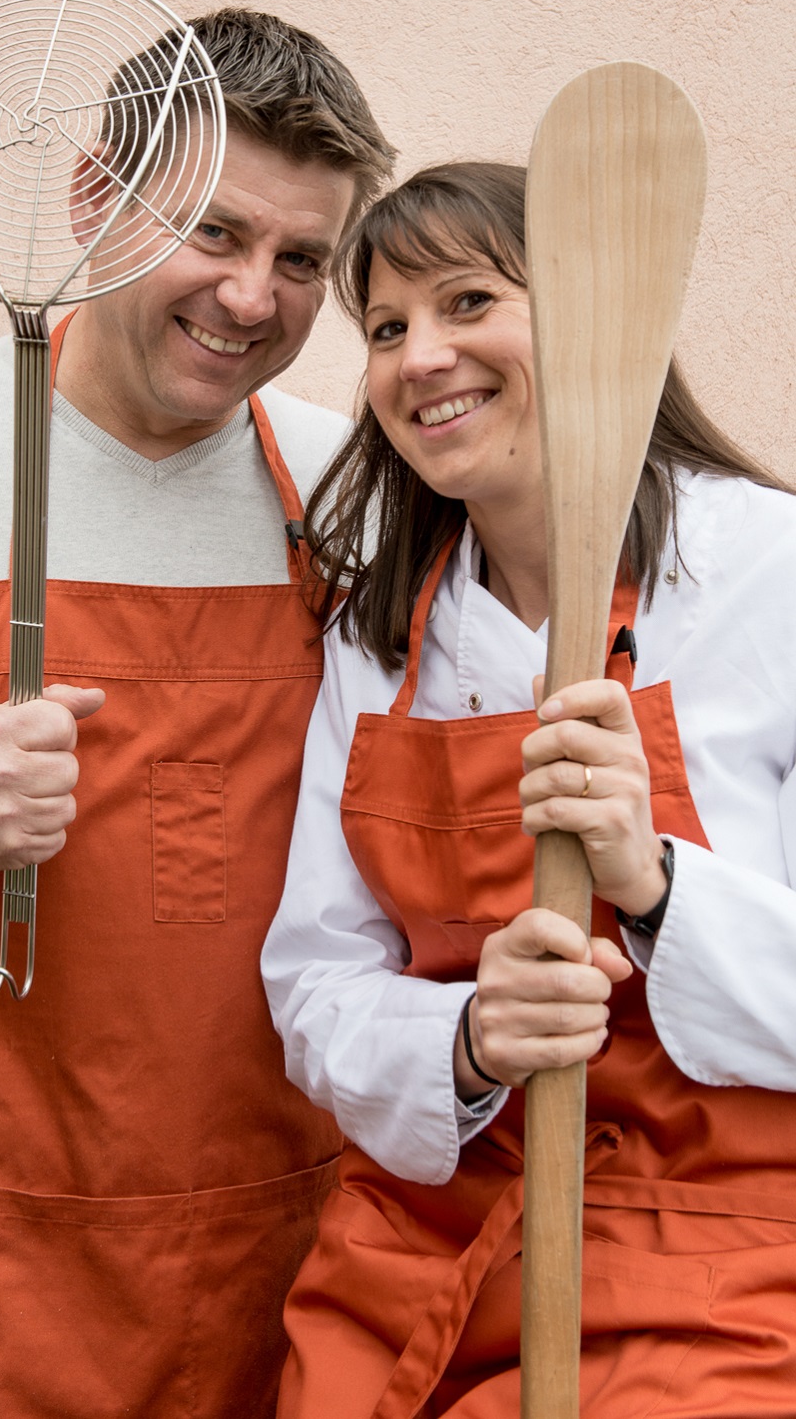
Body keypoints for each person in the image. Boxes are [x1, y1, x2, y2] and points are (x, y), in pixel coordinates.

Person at [0, 8, 395, 1418]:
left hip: (276, 1239)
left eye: (301, 259)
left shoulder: (354, 489)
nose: (254, 298)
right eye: (214, 230)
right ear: (92, 197)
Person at [262, 161, 796, 1417]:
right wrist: (463, 1040)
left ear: (594, 315)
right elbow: (311, 986)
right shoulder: (377, 635)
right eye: (386, 327)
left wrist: (654, 887)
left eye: (467, 301)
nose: (418, 355)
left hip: (717, 1256)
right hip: (414, 1250)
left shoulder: (768, 577)